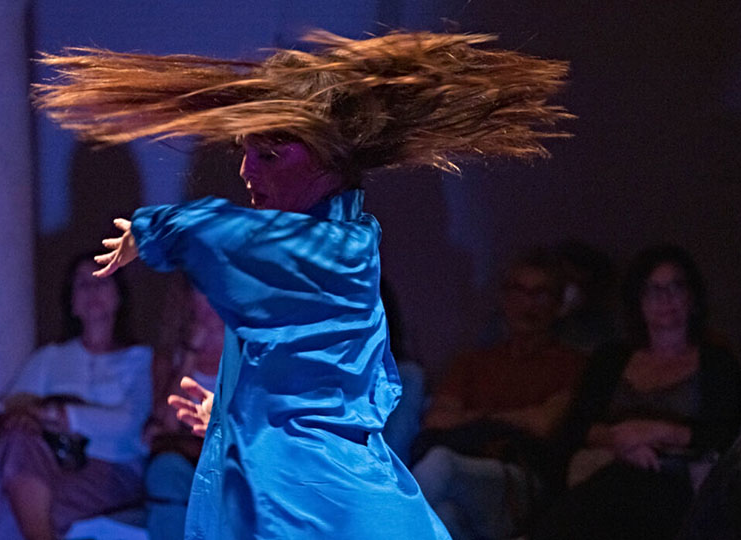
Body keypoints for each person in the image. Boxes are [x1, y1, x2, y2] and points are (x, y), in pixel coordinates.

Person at [34, 29, 570, 539]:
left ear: (326, 159)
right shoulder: (314, 248)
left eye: (267, 155)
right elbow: (309, 382)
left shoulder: (339, 248)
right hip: (286, 494)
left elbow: (230, 235)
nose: (246, 171)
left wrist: (155, 229)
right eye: (245, 151)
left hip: (323, 506)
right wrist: (228, 414)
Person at [531, 245, 741, 540]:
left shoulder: (717, 363)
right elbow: (576, 425)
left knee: (632, 491)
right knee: (608, 488)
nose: (666, 299)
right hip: (609, 467)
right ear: (638, 301)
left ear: (692, 297)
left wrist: (656, 432)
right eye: (653, 290)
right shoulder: (611, 359)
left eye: (675, 287)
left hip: (676, 478)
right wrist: (620, 442)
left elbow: (724, 432)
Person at [410, 250, 585, 539]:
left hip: (522, 476)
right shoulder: (472, 362)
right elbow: (437, 419)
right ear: (504, 299)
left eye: (540, 294)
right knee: (445, 515)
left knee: (441, 464)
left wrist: (474, 418)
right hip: (471, 469)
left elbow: (544, 424)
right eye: (519, 292)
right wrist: (505, 419)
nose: (528, 305)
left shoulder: (571, 364)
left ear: (557, 304)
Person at [0, 254, 152, 540]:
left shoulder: (140, 360)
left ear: (118, 296)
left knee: (22, 506)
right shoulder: (51, 358)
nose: (93, 291)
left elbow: (130, 422)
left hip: (113, 472)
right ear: (72, 303)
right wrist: (25, 417)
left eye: (102, 281)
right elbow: (4, 409)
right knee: (16, 441)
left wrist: (56, 415)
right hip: (50, 466)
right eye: (83, 285)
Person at [145, 278, 223, 540]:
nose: (208, 303)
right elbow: (164, 424)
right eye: (201, 291)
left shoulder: (249, 352)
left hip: (231, 456)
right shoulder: (169, 356)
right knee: (166, 472)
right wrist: (191, 353)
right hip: (182, 456)